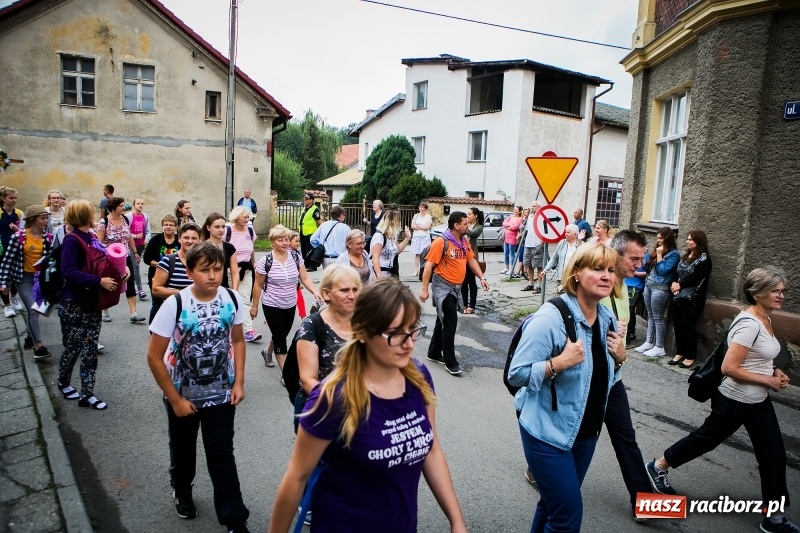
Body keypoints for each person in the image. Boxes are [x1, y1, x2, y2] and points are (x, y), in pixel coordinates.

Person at [268, 277, 467, 533]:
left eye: (413, 330)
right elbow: (296, 478)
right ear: (362, 331)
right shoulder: (334, 396)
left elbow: (431, 449)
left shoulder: (418, 377)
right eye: (395, 334)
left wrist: (457, 520)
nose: (409, 344)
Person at [645, 266, 797, 533]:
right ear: (756, 292)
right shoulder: (749, 324)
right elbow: (729, 368)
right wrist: (768, 381)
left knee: (773, 455)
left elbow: (758, 357)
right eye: (775, 290)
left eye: (782, 290)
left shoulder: (766, 319)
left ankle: (774, 518)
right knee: (706, 439)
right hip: (734, 400)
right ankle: (658, 466)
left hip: (757, 401)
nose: (781, 295)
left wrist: (774, 371)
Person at [507, 243, 627, 533]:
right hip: (547, 434)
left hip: (585, 434)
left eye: (610, 270)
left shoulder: (607, 318)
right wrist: (558, 363)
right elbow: (516, 374)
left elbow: (601, 376)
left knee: (550, 505)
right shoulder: (550, 319)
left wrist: (620, 358)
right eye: (597, 269)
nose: (606, 276)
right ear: (575, 274)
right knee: (567, 519)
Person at [146, 242, 250, 533]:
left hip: (221, 394)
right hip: (183, 395)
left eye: (217, 269)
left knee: (222, 455)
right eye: (205, 270)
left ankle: (235, 519)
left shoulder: (231, 299)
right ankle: (182, 488)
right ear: (190, 272)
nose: (213, 276)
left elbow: (238, 340)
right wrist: (175, 399)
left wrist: (239, 382)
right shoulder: (175, 303)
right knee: (183, 451)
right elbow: (154, 356)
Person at [599, 230, 653, 522]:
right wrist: (619, 354)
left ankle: (643, 503)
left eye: (641, 259)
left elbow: (619, 341)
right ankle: (544, 473)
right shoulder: (599, 287)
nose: (638, 264)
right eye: (633, 258)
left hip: (613, 380)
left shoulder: (622, 290)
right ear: (616, 254)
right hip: (588, 384)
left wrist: (621, 355)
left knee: (626, 440)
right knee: (576, 439)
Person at [57, 200, 125, 411]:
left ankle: (87, 394)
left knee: (89, 348)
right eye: (91, 212)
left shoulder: (92, 237)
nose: (96, 214)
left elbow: (101, 263)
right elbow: (67, 271)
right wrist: (99, 281)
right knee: (73, 347)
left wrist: (120, 272)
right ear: (84, 216)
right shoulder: (72, 240)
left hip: (91, 302)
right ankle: (63, 382)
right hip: (74, 303)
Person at [420, 211, 489, 376]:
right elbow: (429, 266)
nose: (468, 226)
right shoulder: (441, 242)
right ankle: (451, 362)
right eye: (465, 224)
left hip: (456, 287)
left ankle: (434, 352)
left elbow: (471, 260)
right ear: (456, 225)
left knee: (442, 318)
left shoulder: (463, 241)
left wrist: (482, 277)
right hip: (442, 286)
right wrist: (424, 290)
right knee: (451, 320)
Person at [293, 264, 360, 421]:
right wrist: (341, 407)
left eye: (355, 289)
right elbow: (308, 379)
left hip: (361, 410)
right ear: (326, 293)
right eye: (345, 290)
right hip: (322, 412)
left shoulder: (366, 322)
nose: (352, 296)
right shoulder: (312, 326)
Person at [251, 225, 320, 370]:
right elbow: (258, 285)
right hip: (271, 304)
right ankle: (286, 373)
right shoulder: (266, 261)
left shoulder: (295, 256)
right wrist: (254, 306)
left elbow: (305, 278)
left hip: (290, 303)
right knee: (281, 340)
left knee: (280, 334)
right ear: (272, 243)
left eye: (286, 239)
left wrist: (315, 291)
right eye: (280, 240)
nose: (285, 243)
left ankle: (267, 352)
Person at [0, 205, 54, 359]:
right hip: (23, 278)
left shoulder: (48, 238)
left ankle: (30, 337)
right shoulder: (18, 237)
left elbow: (51, 261)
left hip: (40, 279)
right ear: (32, 219)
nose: (46, 221)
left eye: (46, 218)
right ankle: (39, 346)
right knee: (33, 309)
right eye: (43, 218)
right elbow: (7, 262)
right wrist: (3, 283)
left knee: (42, 309)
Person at [96, 196, 146, 323]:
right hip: (109, 259)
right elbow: (99, 243)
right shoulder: (104, 222)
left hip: (126, 257)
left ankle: (134, 313)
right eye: (121, 206)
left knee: (130, 282)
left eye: (124, 205)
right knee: (110, 283)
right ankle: (104, 311)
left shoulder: (125, 219)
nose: (124, 207)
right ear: (113, 208)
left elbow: (129, 237)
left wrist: (134, 252)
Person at [668, 230, 712, 368]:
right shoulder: (686, 256)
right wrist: (675, 284)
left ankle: (690, 355)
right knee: (677, 324)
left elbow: (698, 277)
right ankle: (680, 352)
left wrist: (680, 285)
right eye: (687, 239)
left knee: (687, 326)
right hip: (678, 296)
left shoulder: (705, 260)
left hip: (693, 298)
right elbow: (677, 272)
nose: (688, 242)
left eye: (691, 240)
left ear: (699, 241)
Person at [635, 227, 680, 357]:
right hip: (649, 285)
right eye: (658, 237)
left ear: (667, 238)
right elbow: (648, 266)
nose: (658, 240)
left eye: (661, 238)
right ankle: (649, 342)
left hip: (661, 288)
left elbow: (663, 270)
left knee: (658, 317)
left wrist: (659, 255)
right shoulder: (658, 249)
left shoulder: (674, 254)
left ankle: (659, 346)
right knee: (650, 315)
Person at [225, 206, 261, 342]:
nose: (247, 219)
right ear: (237, 217)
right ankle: (227, 329)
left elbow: (251, 249)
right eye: (245, 217)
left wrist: (253, 263)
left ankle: (249, 331)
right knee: (229, 300)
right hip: (229, 270)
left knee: (245, 300)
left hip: (245, 270)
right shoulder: (227, 231)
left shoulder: (250, 231)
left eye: (248, 217)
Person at [151, 223, 201, 320]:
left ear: (199, 240)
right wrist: (182, 293)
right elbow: (156, 289)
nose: (190, 241)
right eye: (186, 237)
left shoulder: (204, 262)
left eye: (194, 238)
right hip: (173, 314)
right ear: (179, 239)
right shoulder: (168, 261)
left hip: (197, 315)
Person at [143, 214, 180, 323]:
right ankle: (153, 329)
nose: (168, 227)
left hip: (175, 277)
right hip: (156, 276)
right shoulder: (155, 240)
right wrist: (162, 265)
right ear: (162, 226)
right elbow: (147, 259)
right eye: (166, 225)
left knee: (174, 303)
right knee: (157, 303)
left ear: (176, 227)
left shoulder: (180, 241)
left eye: (171, 225)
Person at [0, 186, 24, 317]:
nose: (14, 200)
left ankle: (14, 297)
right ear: (3, 198)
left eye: (15, 198)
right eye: (11, 198)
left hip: (16, 249)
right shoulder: (0, 213)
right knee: (3, 277)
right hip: (2, 249)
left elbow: (24, 232)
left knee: (16, 275)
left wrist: (17, 230)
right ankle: (7, 305)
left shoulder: (19, 214)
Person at [201, 213, 239, 291]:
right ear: (208, 228)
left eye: (223, 227)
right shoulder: (201, 247)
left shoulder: (229, 248)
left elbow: (235, 272)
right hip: (205, 288)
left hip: (223, 288)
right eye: (217, 227)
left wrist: (234, 291)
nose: (221, 230)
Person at [539, 223, 581, 292]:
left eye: (568, 232)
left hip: (574, 278)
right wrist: (545, 270)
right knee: (560, 298)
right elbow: (554, 258)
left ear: (575, 234)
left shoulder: (579, 244)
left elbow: (584, 258)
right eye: (566, 232)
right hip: (561, 277)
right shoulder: (562, 243)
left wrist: (579, 241)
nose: (566, 234)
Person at [371, 210, 410, 278]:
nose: (399, 224)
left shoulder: (392, 236)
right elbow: (375, 257)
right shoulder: (379, 236)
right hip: (380, 272)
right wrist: (379, 276)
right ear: (392, 222)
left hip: (390, 272)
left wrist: (407, 238)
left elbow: (397, 250)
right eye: (398, 222)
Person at [461, 207, 484, 314]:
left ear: (476, 216)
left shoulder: (479, 227)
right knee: (463, 281)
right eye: (467, 214)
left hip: (471, 257)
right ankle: (464, 304)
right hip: (462, 256)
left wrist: (465, 227)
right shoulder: (466, 225)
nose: (467, 216)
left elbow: (471, 234)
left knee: (471, 282)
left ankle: (472, 306)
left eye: (469, 214)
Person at [625, 246, 649, 343]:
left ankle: (629, 334)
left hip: (635, 286)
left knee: (629, 309)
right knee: (627, 309)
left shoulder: (646, 256)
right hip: (627, 283)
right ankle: (630, 332)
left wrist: (633, 272)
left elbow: (647, 273)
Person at [128, 198, 151, 300]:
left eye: (142, 204)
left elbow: (148, 230)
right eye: (138, 204)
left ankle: (130, 284)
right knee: (135, 265)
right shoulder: (129, 216)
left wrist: (146, 239)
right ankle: (140, 289)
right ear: (134, 205)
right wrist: (134, 236)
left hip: (140, 245)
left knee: (134, 266)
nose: (140, 205)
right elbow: (126, 232)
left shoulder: (145, 216)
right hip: (130, 245)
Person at [521, 202, 545, 293]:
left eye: (534, 206)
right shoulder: (530, 216)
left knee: (539, 266)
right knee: (529, 265)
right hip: (528, 244)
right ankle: (530, 284)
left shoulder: (542, 216)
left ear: (539, 207)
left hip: (537, 244)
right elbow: (527, 230)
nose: (532, 208)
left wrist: (542, 240)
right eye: (532, 206)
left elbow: (545, 229)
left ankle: (539, 286)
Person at [299, 193, 321, 271]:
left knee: (311, 250)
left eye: (307, 199)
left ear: (311, 200)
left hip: (311, 233)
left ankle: (313, 266)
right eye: (305, 199)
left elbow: (318, 222)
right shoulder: (305, 208)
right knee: (304, 250)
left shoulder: (315, 209)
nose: (305, 200)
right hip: (303, 232)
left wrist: (318, 232)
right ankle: (306, 264)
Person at [289, 231, 308, 319]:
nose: (298, 243)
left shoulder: (297, 253)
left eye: (298, 241)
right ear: (289, 241)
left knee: (300, 300)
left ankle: (303, 316)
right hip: (290, 282)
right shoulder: (289, 254)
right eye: (296, 241)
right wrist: (299, 283)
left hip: (296, 283)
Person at [501, 206, 524, 275]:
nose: (514, 211)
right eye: (514, 209)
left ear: (519, 211)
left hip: (513, 238)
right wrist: (509, 225)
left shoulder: (520, 219)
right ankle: (507, 267)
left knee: (512, 254)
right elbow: (504, 223)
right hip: (506, 237)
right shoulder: (510, 216)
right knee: (506, 253)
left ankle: (512, 269)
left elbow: (515, 227)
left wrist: (508, 226)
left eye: (516, 210)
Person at [410, 202, 433, 272]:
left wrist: (419, 226)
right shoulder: (416, 216)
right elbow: (413, 226)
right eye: (420, 207)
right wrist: (422, 227)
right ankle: (416, 270)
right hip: (417, 236)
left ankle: (423, 270)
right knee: (417, 254)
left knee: (425, 254)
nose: (421, 208)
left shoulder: (428, 217)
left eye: (422, 207)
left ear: (425, 209)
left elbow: (427, 227)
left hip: (425, 237)